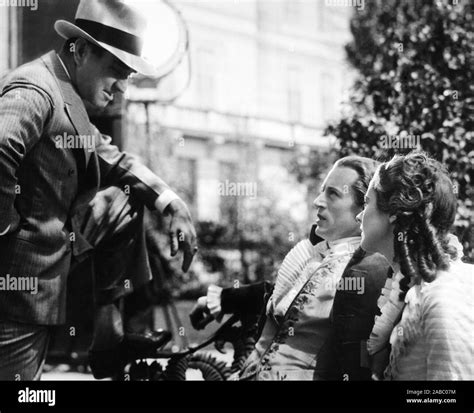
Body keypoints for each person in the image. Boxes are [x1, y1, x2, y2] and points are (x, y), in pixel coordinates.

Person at [0, 0, 197, 380]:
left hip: (40, 278)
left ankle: (110, 337)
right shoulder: (35, 90)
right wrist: (5, 228)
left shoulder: (63, 92)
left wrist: (170, 202)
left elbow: (113, 158)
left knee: (125, 199)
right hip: (16, 290)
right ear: (83, 50)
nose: (122, 88)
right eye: (116, 72)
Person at [191, 156, 390, 380]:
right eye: (322, 191)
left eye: (332, 194)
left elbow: (358, 362)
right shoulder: (319, 257)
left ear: (362, 210)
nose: (318, 201)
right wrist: (223, 299)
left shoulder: (363, 270)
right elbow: (278, 295)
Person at [358, 151, 473, 380]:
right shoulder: (411, 286)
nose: (359, 216)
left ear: (393, 212)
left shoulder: (443, 295)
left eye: (366, 202)